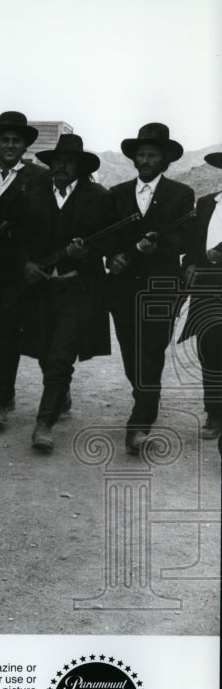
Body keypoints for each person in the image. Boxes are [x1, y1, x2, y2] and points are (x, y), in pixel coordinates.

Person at [13, 134, 111, 451]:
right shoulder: (32, 195)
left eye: (68, 162)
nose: (61, 166)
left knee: (60, 355)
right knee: (43, 349)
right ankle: (61, 394)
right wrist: (25, 263)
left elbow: (109, 243)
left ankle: (44, 423)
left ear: (80, 167)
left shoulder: (99, 197)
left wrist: (87, 255)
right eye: (56, 161)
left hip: (76, 289)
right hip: (39, 289)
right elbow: (18, 238)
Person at [106, 123, 196, 454]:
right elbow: (108, 238)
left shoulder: (182, 194)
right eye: (141, 154)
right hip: (122, 288)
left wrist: (154, 247)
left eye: (152, 155)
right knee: (131, 352)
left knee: (152, 349)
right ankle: (144, 398)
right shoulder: (116, 194)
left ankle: (140, 421)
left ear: (165, 160)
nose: (145, 160)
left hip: (161, 286)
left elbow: (184, 238)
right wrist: (113, 257)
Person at [0, 110, 49, 426]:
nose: (10, 146)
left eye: (16, 141)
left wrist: (12, 231)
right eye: (5, 140)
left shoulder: (39, 177)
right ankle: (3, 397)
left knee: (31, 332)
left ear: (25, 146)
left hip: (23, 269)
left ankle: (56, 388)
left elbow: (42, 223)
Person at [178, 149, 222, 442]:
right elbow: (193, 243)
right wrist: (189, 264)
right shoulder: (207, 203)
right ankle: (215, 414)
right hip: (208, 288)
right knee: (210, 349)